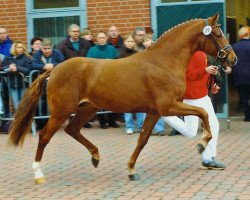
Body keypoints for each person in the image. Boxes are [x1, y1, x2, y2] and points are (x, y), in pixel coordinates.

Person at [163, 51, 231, 169]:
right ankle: (164, 114)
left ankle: (208, 159)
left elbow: (205, 74)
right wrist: (205, 71)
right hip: (191, 98)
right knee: (191, 133)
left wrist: (213, 84)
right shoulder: (186, 54)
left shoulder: (202, 53)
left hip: (203, 97)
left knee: (214, 126)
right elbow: (186, 75)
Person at [58, 24, 92, 128]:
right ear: (69, 33)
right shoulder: (62, 45)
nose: (76, 33)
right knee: (72, 99)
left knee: (86, 99)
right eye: (73, 31)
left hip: (85, 76)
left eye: (77, 31)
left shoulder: (86, 43)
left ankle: (84, 121)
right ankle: (72, 120)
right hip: (71, 76)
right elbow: (60, 61)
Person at [87, 31, 119, 129]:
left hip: (111, 79)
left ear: (106, 38)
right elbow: (89, 64)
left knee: (113, 101)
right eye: (100, 38)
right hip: (98, 80)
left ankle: (112, 121)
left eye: (103, 37)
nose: (102, 39)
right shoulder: (92, 50)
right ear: (97, 40)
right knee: (100, 102)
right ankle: (102, 122)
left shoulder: (112, 49)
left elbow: (118, 62)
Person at [1, 41, 32, 110]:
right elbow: (2, 68)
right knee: (16, 105)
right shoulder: (8, 58)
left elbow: (28, 70)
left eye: (21, 47)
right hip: (12, 85)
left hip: (23, 84)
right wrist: (9, 68)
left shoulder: (26, 58)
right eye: (18, 47)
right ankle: (20, 120)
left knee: (24, 104)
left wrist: (17, 68)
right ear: (14, 48)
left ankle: (25, 119)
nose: (20, 49)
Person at [232, 26, 250, 122]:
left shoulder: (234, 47)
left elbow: (231, 61)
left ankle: (247, 116)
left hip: (240, 76)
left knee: (243, 97)